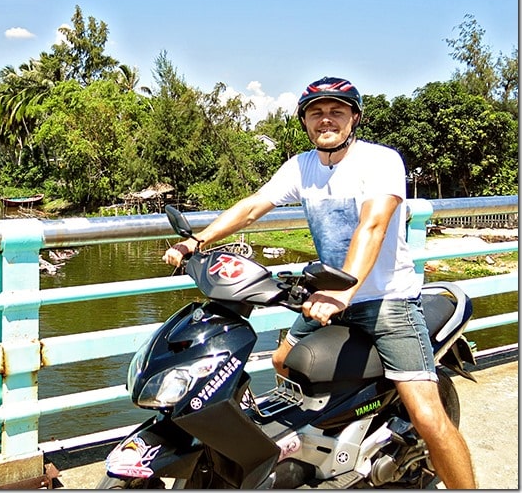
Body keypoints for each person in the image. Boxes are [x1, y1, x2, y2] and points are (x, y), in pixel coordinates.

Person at [162, 76, 476, 489]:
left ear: (354, 118)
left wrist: (342, 292)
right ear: (306, 122)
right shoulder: (302, 165)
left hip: (387, 302)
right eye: (316, 113)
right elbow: (254, 205)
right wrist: (197, 241)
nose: (326, 119)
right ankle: (315, 446)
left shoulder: (380, 161)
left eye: (336, 111)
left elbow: (373, 226)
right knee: (281, 362)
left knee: (427, 415)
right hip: (325, 296)